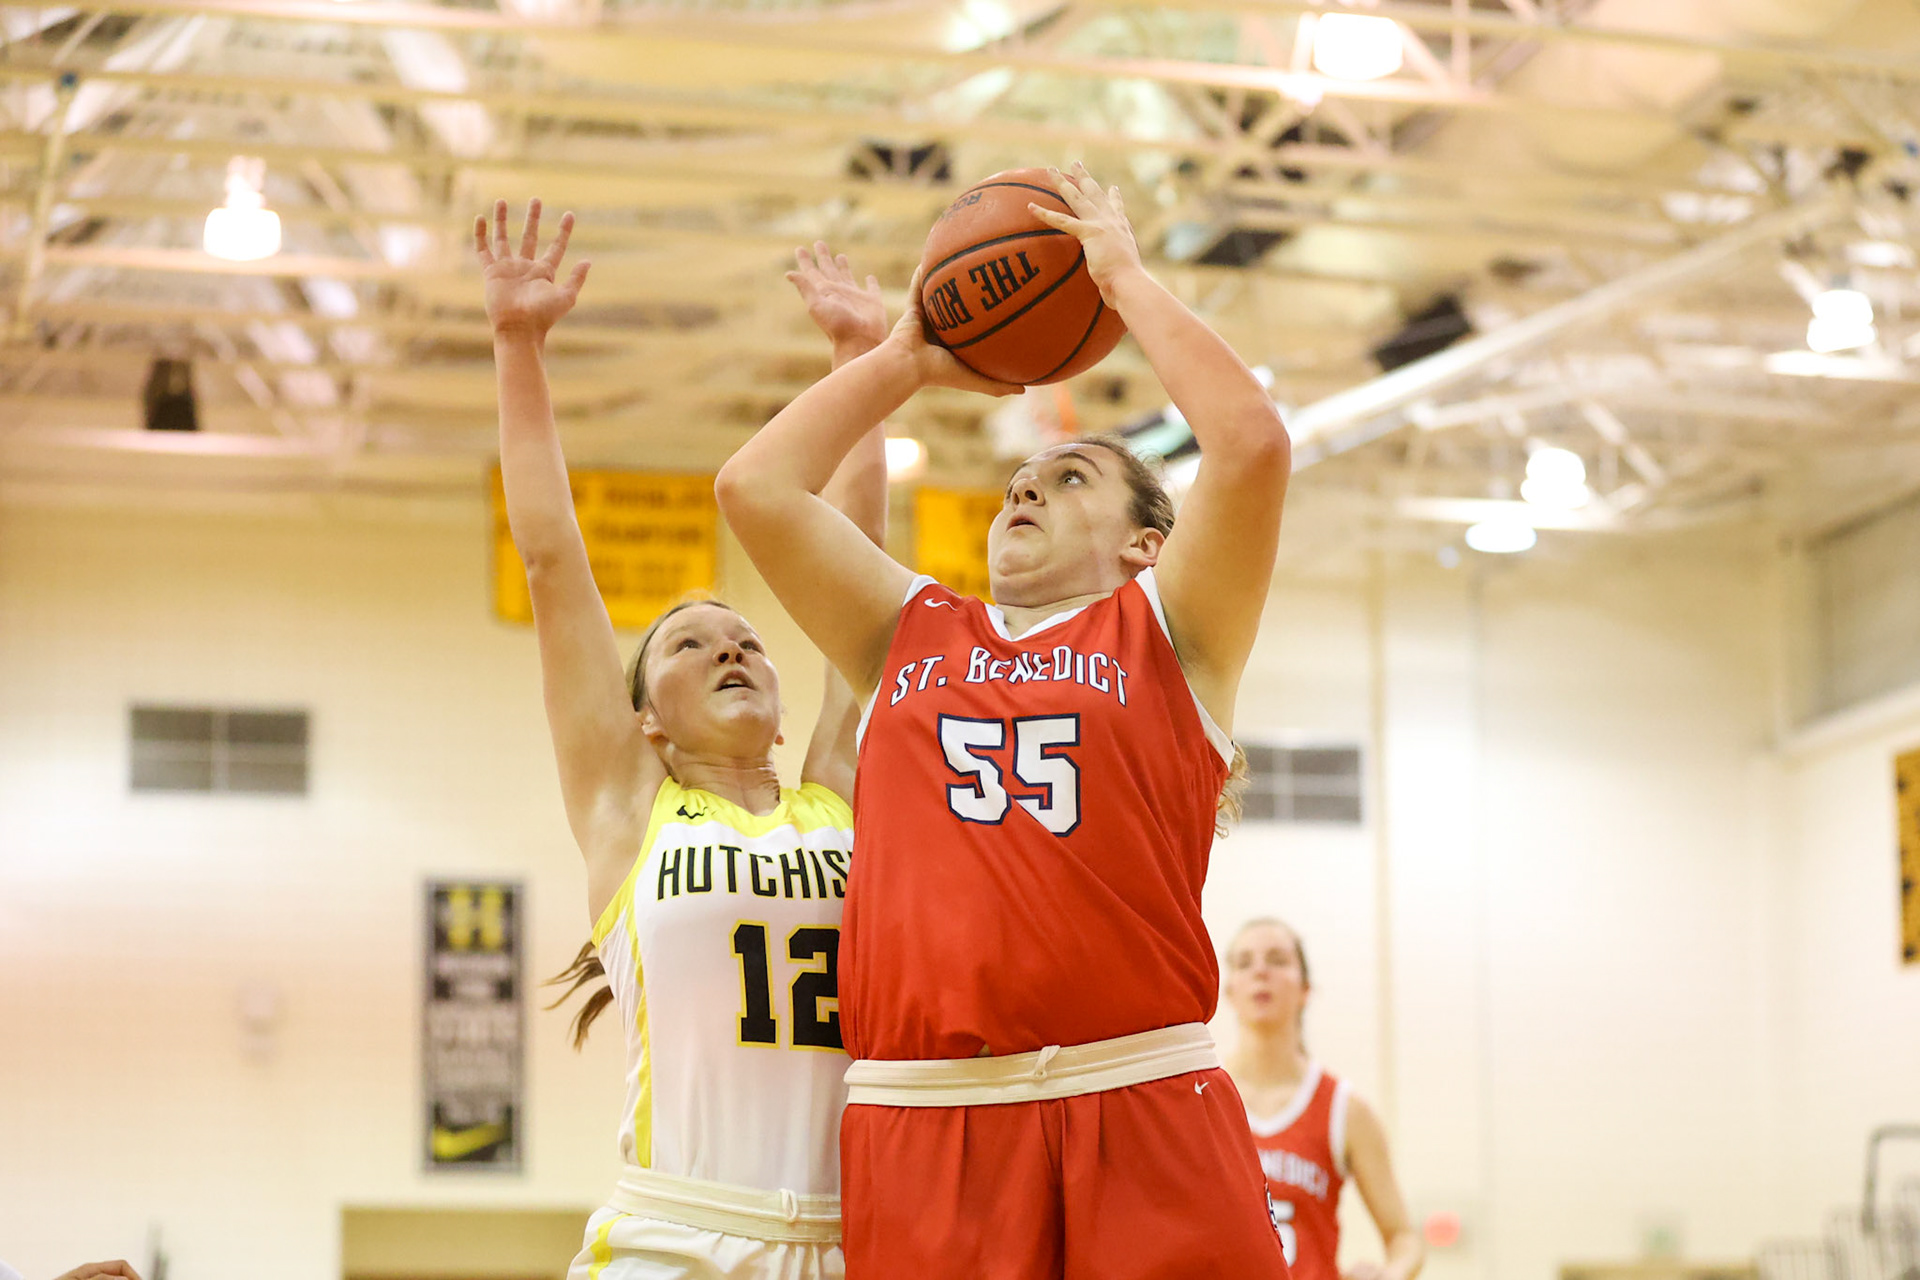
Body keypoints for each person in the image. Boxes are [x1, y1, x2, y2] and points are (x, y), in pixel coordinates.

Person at [715, 163, 1292, 1279]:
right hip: (928, 1116)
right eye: (1018, 481)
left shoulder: (1173, 630)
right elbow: (755, 488)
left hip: (1141, 1090)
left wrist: (1122, 278)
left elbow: (1252, 445)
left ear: (1145, 542)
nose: (1024, 490)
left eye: (1069, 477)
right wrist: (906, 359)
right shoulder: (909, 630)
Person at [479, 199, 888, 1279]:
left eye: (748, 637)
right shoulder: (630, 807)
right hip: (678, 1236)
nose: (731, 649)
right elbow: (554, 562)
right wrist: (518, 345)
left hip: (853, 1239)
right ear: (644, 718)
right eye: (690, 645)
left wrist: (862, 355)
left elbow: (856, 554)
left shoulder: (835, 795)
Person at [1224, 919, 1425, 1280]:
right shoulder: (1205, 1100)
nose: (1260, 971)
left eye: (1276, 959)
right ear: (1228, 992)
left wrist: (1389, 1274)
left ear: (1305, 989)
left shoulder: (1344, 1109)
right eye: (1244, 962)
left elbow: (1404, 1239)